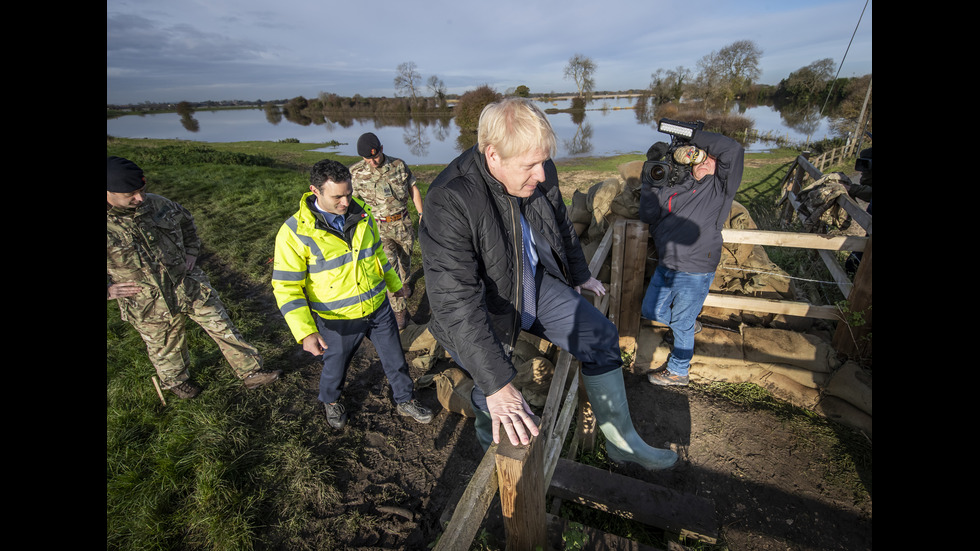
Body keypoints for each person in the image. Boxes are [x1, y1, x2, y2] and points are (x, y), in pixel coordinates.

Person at [420, 98, 677, 470]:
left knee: (601, 337)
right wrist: (496, 383)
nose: (542, 175)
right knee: (494, 387)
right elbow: (456, 301)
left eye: (543, 162)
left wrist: (578, 274)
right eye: (530, 166)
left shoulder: (539, 169)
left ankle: (624, 444)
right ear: (493, 156)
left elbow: (559, 225)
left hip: (530, 282)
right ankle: (496, 473)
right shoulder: (450, 200)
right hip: (481, 307)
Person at [271, 158, 433, 429]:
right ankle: (331, 401)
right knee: (336, 366)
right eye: (337, 197)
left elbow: (378, 255)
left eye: (348, 194)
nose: (346, 203)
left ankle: (405, 400)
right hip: (337, 318)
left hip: (378, 307)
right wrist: (306, 332)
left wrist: (394, 284)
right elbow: (286, 287)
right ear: (315, 191)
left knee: (395, 357)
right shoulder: (294, 232)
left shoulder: (363, 215)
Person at [107, 156, 280, 399]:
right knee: (164, 345)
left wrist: (191, 252)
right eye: (131, 195)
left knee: (222, 326)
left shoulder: (158, 204)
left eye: (142, 190)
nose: (140, 198)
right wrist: (109, 290)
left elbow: (187, 223)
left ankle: (252, 373)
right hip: (147, 301)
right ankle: (177, 381)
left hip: (187, 283)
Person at [639, 128, 745, 386]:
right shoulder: (677, 184)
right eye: (700, 157)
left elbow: (733, 150)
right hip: (668, 263)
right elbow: (648, 215)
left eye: (710, 158)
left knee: (682, 321)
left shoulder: (719, 188)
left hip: (695, 268)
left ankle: (678, 371)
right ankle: (686, 326)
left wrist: (691, 135)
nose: (704, 161)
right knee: (650, 309)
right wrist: (650, 180)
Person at [349, 133, 424, 330]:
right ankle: (399, 311)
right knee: (389, 269)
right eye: (368, 159)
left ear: (381, 148)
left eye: (375, 156)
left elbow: (413, 188)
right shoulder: (355, 173)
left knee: (405, 260)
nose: (373, 162)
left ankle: (406, 283)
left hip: (402, 224)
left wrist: (421, 212)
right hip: (377, 227)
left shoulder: (399, 165)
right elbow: (351, 203)